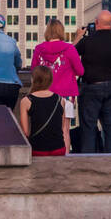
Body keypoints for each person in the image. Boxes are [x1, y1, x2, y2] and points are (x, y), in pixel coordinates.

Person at [77, 11, 111, 153]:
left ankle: (89, 162)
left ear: (96, 23)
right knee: (110, 128)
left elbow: (71, 53)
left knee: (89, 127)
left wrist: (79, 36)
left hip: (91, 87)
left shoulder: (88, 41)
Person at [32, 18, 83, 147]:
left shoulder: (39, 49)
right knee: (65, 129)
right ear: (61, 31)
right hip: (66, 95)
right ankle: (64, 160)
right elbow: (80, 71)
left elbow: (34, 71)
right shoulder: (69, 49)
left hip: (43, 94)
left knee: (44, 128)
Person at [18, 64, 68, 156]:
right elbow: (61, 126)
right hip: (58, 148)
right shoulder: (60, 99)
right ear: (50, 80)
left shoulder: (26, 101)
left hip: (38, 148)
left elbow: (25, 132)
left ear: (33, 80)